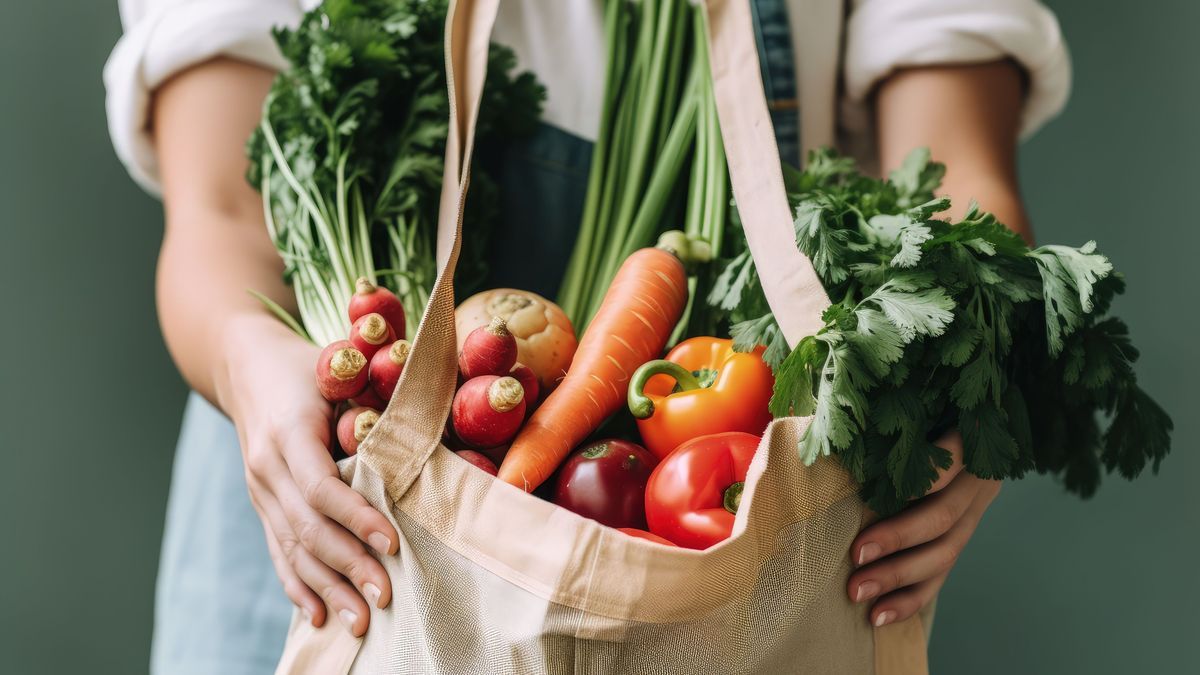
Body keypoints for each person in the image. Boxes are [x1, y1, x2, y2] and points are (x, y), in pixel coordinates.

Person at [105, 1, 1070, 672]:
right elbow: (220, 217)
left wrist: (975, 366)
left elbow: (956, 176)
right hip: (334, 517)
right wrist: (253, 359)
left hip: (706, 530)